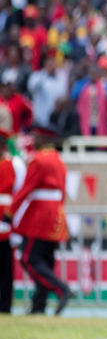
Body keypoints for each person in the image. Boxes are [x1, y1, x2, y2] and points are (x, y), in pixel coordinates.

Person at [9, 124, 72, 314]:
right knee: (46, 258)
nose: (33, 141)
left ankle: (61, 289)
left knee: (28, 257)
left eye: (36, 138)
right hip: (56, 213)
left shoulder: (39, 160)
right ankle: (39, 306)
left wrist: (11, 211)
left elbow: (27, 188)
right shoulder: (58, 159)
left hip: (41, 214)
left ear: (43, 140)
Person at [0, 127, 25, 313]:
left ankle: (5, 305)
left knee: (5, 266)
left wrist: (13, 222)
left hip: (5, 220)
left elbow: (19, 192)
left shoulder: (14, 164)